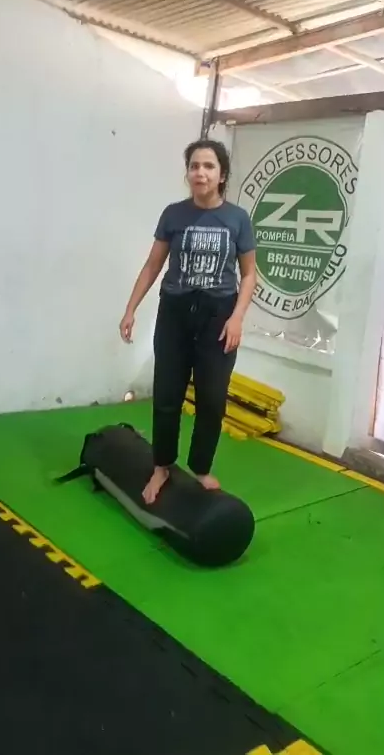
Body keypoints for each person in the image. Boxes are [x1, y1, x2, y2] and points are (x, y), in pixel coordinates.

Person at [119, 139, 256, 505]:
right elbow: (153, 265)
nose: (200, 173)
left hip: (219, 317)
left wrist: (237, 317)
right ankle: (162, 465)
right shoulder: (173, 215)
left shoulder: (237, 219)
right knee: (167, 394)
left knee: (211, 399)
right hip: (175, 313)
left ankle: (201, 466)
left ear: (222, 175)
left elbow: (248, 275)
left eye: (209, 166)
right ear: (188, 173)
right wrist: (131, 309)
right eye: (194, 166)